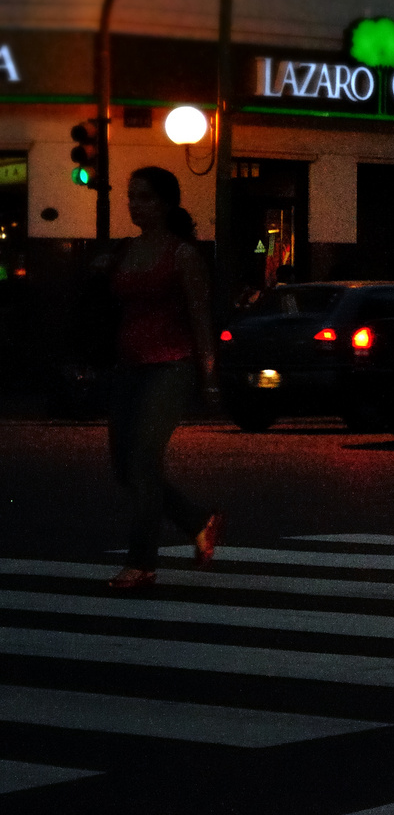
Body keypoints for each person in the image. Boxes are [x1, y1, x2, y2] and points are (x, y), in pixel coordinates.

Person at [100, 167, 223, 591]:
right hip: (128, 366)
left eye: (146, 197)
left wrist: (208, 377)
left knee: (142, 463)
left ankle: (142, 563)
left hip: (171, 366)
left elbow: (200, 318)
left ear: (167, 203)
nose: (136, 204)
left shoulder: (182, 254)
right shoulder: (124, 250)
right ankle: (198, 521)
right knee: (124, 467)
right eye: (131, 196)